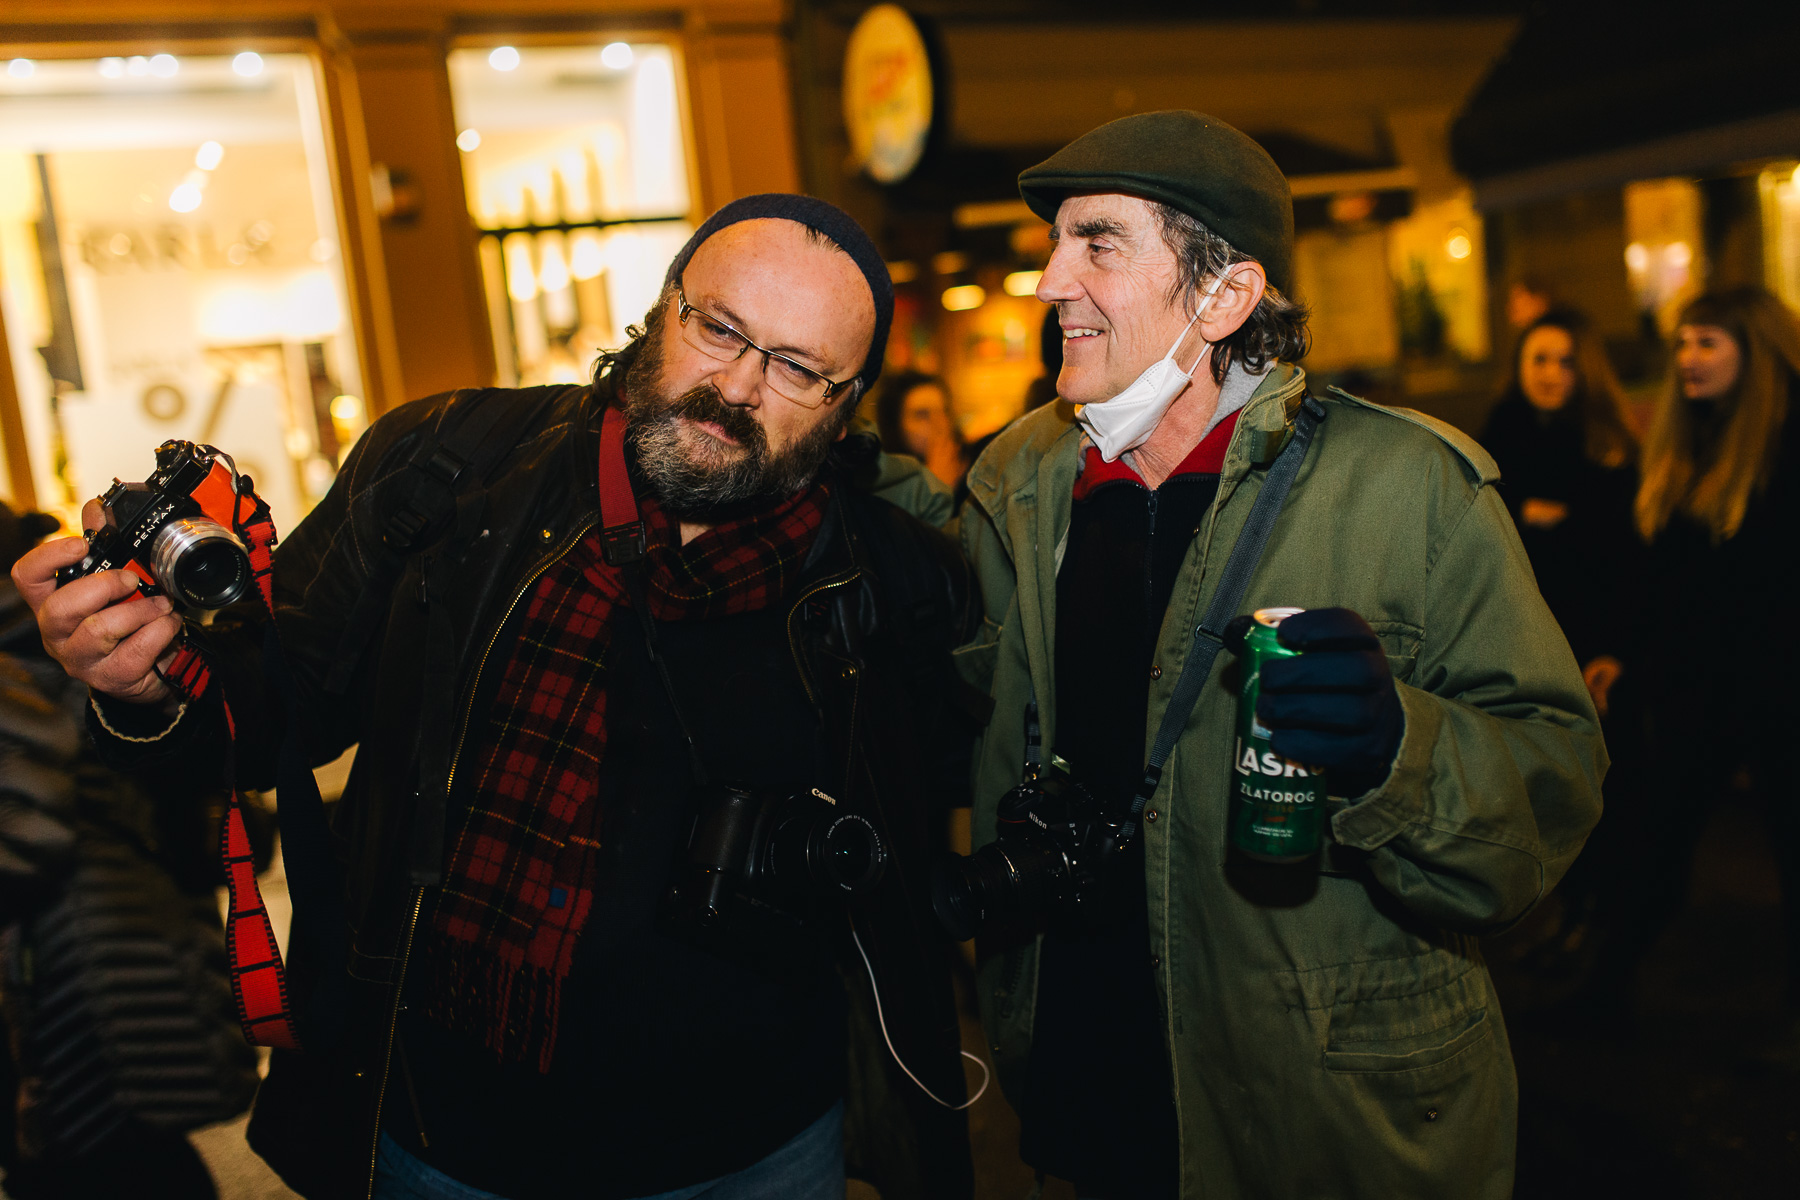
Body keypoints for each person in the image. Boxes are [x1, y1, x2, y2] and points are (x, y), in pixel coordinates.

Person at [13, 195, 977, 1200]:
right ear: (665, 309)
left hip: (754, 1145)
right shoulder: (446, 461)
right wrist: (144, 685)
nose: (735, 385)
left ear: (844, 406)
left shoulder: (892, 584)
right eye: (720, 328)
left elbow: (927, 839)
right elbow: (270, 719)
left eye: (797, 368)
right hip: (443, 1136)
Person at [954, 110, 1605, 1198]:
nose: (1051, 281)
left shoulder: (1409, 490)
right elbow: (960, 711)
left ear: (1224, 297)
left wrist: (1397, 746)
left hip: (1319, 1120)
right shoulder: (1017, 484)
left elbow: (1553, 790)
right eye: (1055, 243)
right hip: (1082, 1092)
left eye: (1098, 243)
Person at [0, 502, 258, 1200]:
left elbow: (26, 838)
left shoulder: (41, 643)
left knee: (99, 1165)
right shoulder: (79, 620)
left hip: (81, 974)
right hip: (139, 932)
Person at [1579, 286, 1800, 1035]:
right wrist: (1625, 653)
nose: (1688, 360)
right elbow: (1664, 577)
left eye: (1707, 343)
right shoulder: (1687, 436)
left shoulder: (1785, 438)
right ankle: (1604, 992)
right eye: (1681, 343)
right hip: (1702, 685)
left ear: (1754, 351)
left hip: (1777, 686)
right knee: (1660, 833)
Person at [1479, 311, 1643, 974]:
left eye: (1566, 361)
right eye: (1539, 359)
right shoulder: (1496, 439)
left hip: (1590, 646)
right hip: (1520, 642)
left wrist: (1615, 649)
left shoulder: (1607, 447)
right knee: (1540, 791)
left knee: (1602, 792)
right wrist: (1533, 518)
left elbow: (1626, 560)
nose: (1550, 374)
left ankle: (1606, 926)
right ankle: (1568, 914)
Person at [874, 369, 967, 490]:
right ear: (895, 426)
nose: (939, 423)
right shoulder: (881, 484)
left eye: (944, 411)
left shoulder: (974, 469)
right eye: (923, 415)